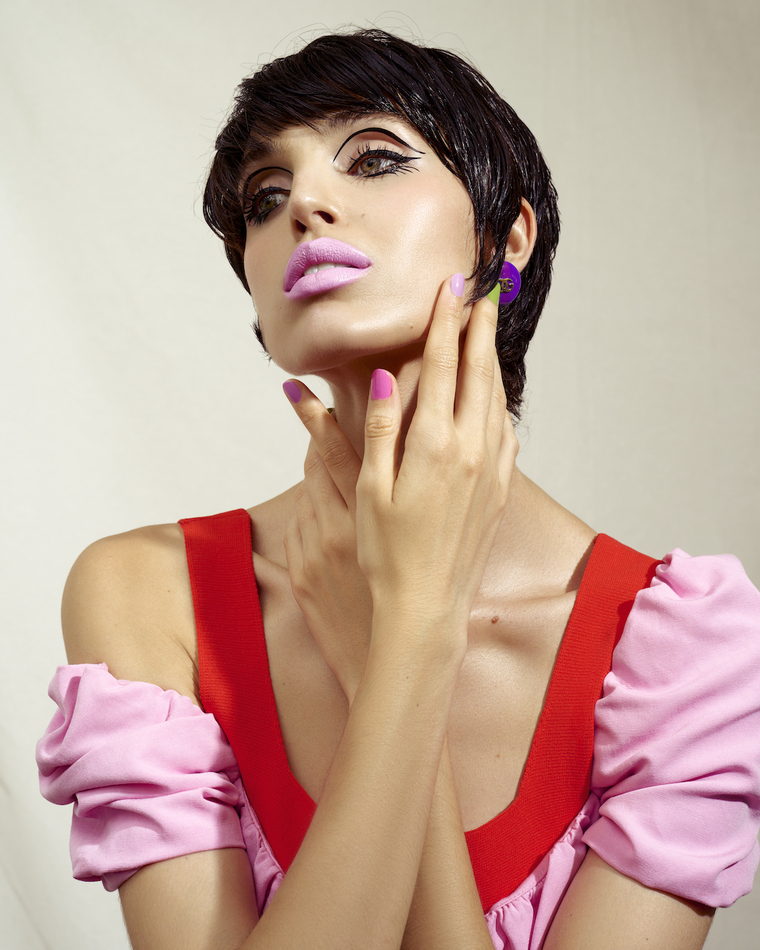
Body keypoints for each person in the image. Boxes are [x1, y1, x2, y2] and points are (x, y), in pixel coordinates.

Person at [36, 28, 760, 950]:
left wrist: (395, 636)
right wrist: (414, 631)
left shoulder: (687, 657)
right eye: (265, 197)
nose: (305, 204)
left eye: (375, 158)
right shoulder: (151, 595)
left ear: (507, 238)